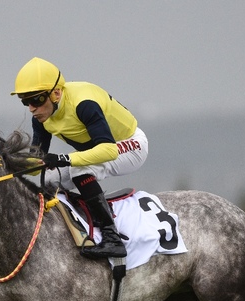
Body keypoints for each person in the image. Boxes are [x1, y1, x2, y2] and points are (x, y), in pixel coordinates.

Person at [11, 57, 148, 260]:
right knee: (49, 180)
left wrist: (63, 158)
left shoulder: (84, 104)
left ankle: (112, 237)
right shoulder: (40, 118)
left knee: (78, 169)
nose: (31, 108)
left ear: (56, 93)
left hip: (130, 145)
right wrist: (8, 163)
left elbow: (109, 151)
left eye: (36, 99)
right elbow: (36, 166)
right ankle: (75, 229)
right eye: (25, 101)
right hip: (100, 150)